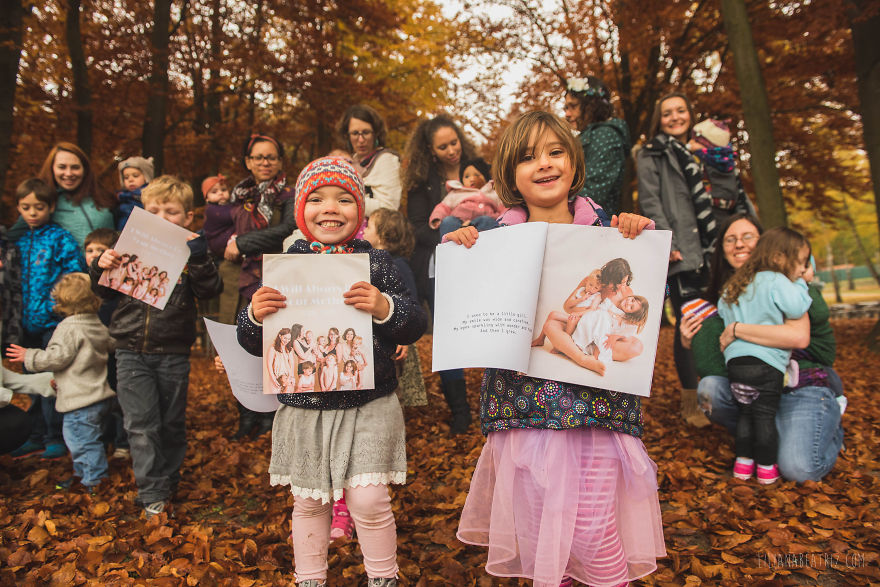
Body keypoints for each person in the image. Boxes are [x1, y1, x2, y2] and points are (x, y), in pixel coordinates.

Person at [448, 111, 664, 586]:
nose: (543, 164)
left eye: (555, 151)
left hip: (595, 413)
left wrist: (641, 238)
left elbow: (643, 305)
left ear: (573, 161)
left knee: (591, 530)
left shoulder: (613, 231)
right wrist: (461, 249)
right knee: (544, 534)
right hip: (523, 411)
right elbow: (470, 313)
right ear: (510, 176)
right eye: (528, 157)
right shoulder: (490, 240)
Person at [237, 156, 427, 587]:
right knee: (309, 502)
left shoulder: (377, 263)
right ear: (300, 209)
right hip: (304, 407)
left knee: (370, 499)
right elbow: (251, 341)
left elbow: (414, 324)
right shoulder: (285, 265)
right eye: (316, 199)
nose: (330, 208)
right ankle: (309, 579)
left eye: (344, 199)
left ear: (359, 210)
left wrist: (384, 308)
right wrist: (253, 314)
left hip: (369, 402)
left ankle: (383, 579)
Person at [90, 175, 222, 518]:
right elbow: (105, 292)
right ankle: (152, 492)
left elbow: (210, 290)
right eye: (154, 210)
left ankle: (169, 479)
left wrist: (199, 257)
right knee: (140, 424)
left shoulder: (194, 250)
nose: (163, 217)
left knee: (171, 423)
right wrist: (99, 266)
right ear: (142, 212)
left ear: (188, 217)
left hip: (173, 352)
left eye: (172, 212)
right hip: (131, 349)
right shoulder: (129, 244)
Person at [682, 213, 844, 482]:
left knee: (799, 469)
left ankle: (830, 426)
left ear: (765, 243)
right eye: (730, 240)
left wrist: (737, 330)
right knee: (707, 392)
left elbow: (800, 338)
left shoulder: (787, 282)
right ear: (722, 251)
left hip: (801, 385)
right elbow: (715, 365)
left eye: (748, 237)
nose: (739, 244)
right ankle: (768, 439)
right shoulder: (722, 297)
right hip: (754, 387)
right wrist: (693, 343)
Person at [636, 92, 719, 420]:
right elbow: (651, 200)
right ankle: (690, 401)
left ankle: (716, 391)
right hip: (680, 248)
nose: (674, 117)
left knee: (715, 317)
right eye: (667, 112)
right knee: (691, 320)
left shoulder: (701, 153)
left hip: (711, 246)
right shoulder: (651, 153)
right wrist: (666, 241)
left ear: (690, 114)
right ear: (659, 119)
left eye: (680, 111)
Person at [717, 227, 812, 485]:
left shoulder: (737, 283)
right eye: (800, 263)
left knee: (746, 413)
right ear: (780, 258)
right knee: (764, 416)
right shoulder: (776, 280)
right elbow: (796, 306)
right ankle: (767, 470)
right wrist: (802, 283)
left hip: (737, 362)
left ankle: (742, 466)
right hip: (767, 362)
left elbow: (723, 310)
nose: (802, 269)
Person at [403, 114, 479, 434]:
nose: (452, 150)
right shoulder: (422, 183)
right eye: (443, 146)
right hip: (438, 267)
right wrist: (451, 233)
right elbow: (418, 229)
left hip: (480, 259)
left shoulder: (478, 169)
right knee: (449, 337)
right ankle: (460, 411)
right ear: (431, 151)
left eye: (454, 142)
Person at [7, 273, 115, 491]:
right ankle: (82, 476)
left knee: (81, 441)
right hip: (99, 396)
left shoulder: (68, 327)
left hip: (80, 401)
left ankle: (94, 481)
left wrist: (29, 356)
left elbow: (57, 357)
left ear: (62, 301)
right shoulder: (96, 323)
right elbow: (111, 344)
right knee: (89, 439)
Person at [8, 178, 86, 460]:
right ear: (18, 208)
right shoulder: (16, 241)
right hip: (22, 323)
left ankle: (55, 437)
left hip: (51, 324)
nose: (32, 213)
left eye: (38, 207)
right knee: (31, 382)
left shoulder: (59, 238)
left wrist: (56, 305)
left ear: (50, 207)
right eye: (26, 207)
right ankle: (35, 434)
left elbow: (75, 273)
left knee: (52, 381)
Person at [224, 134, 295, 438]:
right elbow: (215, 234)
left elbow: (287, 229)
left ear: (279, 162)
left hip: (273, 276)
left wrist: (241, 242)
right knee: (239, 345)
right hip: (236, 279)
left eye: (271, 157)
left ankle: (269, 416)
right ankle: (245, 414)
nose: (265, 162)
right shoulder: (236, 197)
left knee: (273, 346)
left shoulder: (288, 195)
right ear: (248, 161)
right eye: (258, 157)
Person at [363, 207, 428, 408]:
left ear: (384, 235)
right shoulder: (371, 262)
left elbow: (411, 301)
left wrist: (404, 342)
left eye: (369, 226)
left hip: (398, 340)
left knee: (396, 380)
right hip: (385, 335)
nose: (364, 230)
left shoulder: (397, 265)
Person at [8, 143, 115, 248]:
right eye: (62, 167)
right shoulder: (43, 201)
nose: (68, 173)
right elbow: (11, 238)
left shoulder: (103, 197)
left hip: (110, 263)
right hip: (68, 264)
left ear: (85, 169)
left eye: (75, 167)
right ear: (52, 169)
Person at [83, 228, 129, 459]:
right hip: (94, 352)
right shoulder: (82, 281)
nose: (93, 254)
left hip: (117, 346)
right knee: (100, 396)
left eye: (100, 250)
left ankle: (123, 441)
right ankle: (104, 438)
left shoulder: (119, 282)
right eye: (89, 250)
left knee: (119, 394)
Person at [563, 75, 631, 217]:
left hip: (596, 223)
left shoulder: (605, 135)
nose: (567, 114)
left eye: (573, 106)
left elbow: (593, 191)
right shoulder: (588, 136)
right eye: (566, 108)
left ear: (591, 105)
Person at [337, 104, 403, 218]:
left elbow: (389, 209)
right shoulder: (348, 161)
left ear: (376, 133)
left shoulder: (386, 160)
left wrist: (344, 198)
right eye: (355, 133)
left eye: (366, 132)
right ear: (347, 136)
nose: (361, 140)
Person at [687, 118, 755, 225]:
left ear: (707, 145)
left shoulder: (698, 161)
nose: (690, 143)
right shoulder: (729, 164)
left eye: (695, 140)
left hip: (708, 214)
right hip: (727, 215)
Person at [429, 157, 505, 238]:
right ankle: (450, 246)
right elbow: (443, 206)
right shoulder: (457, 192)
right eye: (467, 176)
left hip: (483, 224)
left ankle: (486, 244)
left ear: (485, 177)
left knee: (487, 220)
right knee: (448, 221)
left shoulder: (492, 191)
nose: (471, 179)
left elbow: (503, 208)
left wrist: (505, 221)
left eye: (476, 175)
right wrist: (437, 217)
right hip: (459, 223)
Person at [114, 156, 154, 230]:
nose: (130, 180)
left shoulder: (151, 197)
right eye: (126, 177)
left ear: (146, 177)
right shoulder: (120, 198)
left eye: (135, 176)